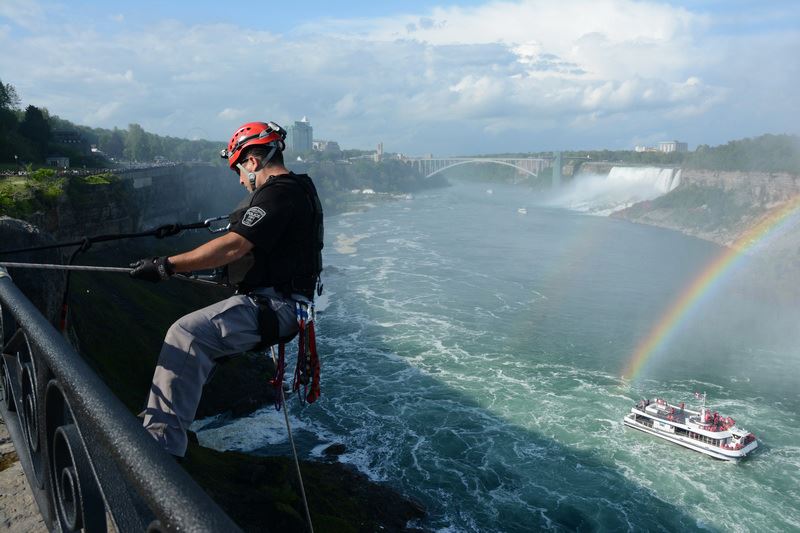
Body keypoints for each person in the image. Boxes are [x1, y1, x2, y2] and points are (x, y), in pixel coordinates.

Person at [130, 121, 324, 457]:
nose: (239, 180)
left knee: (186, 334)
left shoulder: (280, 193)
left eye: (238, 170)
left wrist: (167, 265)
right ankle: (168, 416)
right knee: (200, 337)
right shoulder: (297, 191)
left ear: (252, 161)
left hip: (276, 307)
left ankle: (159, 449)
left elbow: (234, 246)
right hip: (282, 304)